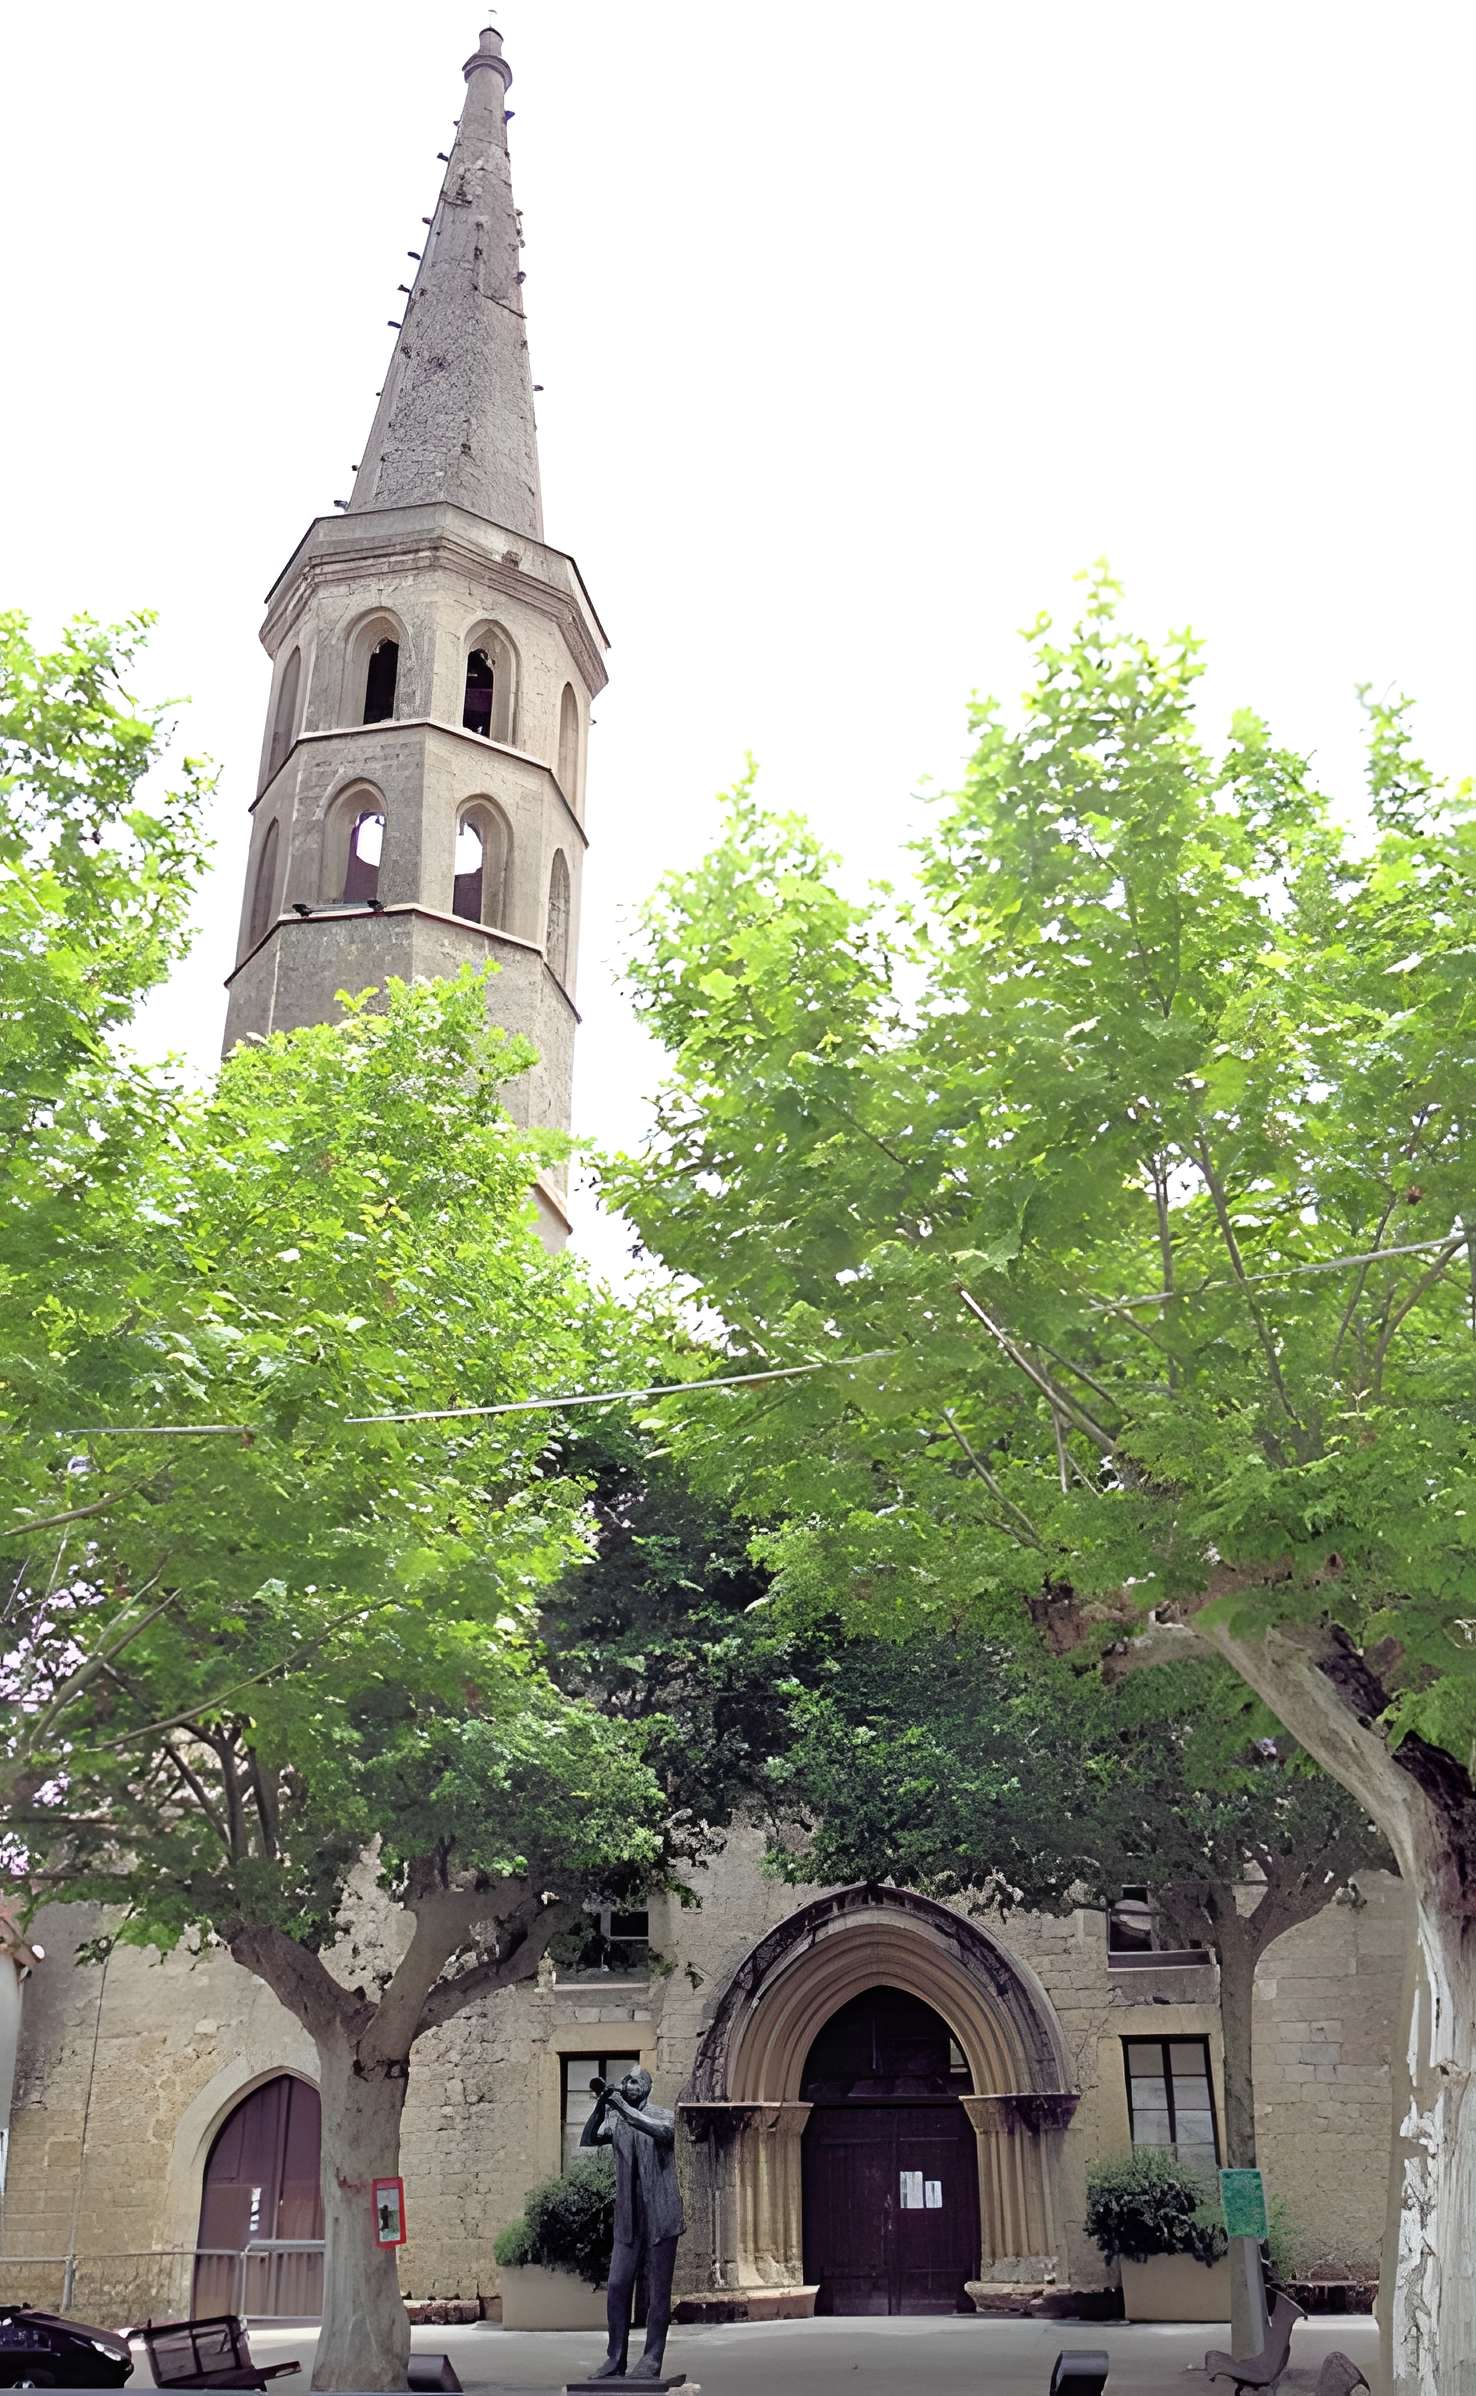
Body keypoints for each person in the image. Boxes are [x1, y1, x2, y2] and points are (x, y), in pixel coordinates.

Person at [580, 2065, 684, 2382]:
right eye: (625, 2080)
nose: (628, 2085)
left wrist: (620, 2107)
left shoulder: (663, 2116)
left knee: (657, 2294)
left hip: (661, 2219)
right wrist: (602, 2103)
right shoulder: (620, 2125)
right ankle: (615, 2358)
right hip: (629, 2221)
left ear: (648, 2088)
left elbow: (664, 2133)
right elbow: (588, 2138)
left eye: (635, 2081)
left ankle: (652, 2358)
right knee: (617, 2287)